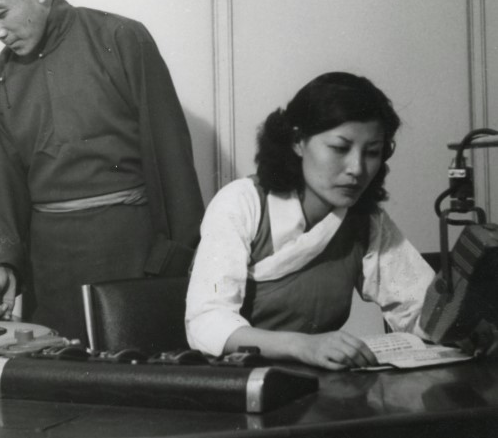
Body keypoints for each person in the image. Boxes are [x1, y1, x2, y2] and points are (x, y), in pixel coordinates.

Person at [0, 0, 204, 342]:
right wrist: (2, 266)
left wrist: (176, 262)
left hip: (134, 262)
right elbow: (2, 191)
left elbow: (172, 162)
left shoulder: (121, 40)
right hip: (50, 272)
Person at [185, 71, 435, 370]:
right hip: (235, 385)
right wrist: (302, 345)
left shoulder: (365, 220)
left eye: (372, 152)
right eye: (340, 148)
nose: (356, 168)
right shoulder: (240, 203)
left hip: (316, 386)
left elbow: (418, 307)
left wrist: (465, 330)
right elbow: (206, 322)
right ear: (298, 141)